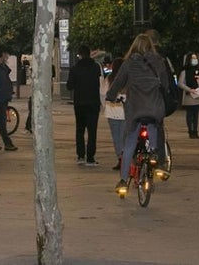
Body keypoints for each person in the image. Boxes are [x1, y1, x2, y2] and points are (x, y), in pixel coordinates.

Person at [105, 34, 172, 194]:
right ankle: (155, 153)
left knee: (129, 143)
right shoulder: (159, 62)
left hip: (135, 110)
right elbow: (167, 85)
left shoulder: (129, 64)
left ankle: (122, 181)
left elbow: (117, 83)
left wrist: (110, 96)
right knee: (154, 127)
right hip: (155, 108)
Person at [66, 45, 102, 166]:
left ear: (80, 55)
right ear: (89, 53)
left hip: (79, 103)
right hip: (93, 102)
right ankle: (90, 157)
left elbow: (69, 86)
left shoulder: (75, 68)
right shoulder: (96, 67)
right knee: (92, 131)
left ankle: (81, 155)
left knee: (80, 129)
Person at [102, 58, 126, 170]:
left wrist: (105, 106)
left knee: (116, 138)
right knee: (124, 137)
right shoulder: (127, 79)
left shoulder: (109, 79)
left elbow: (103, 94)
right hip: (125, 112)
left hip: (112, 112)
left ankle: (120, 158)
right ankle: (125, 158)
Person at [179, 52, 199, 138]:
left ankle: (195, 131)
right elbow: (180, 83)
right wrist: (189, 89)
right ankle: (190, 131)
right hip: (189, 95)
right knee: (190, 114)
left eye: (196, 58)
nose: (195, 60)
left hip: (197, 95)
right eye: (193, 58)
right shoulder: (185, 71)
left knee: (196, 115)